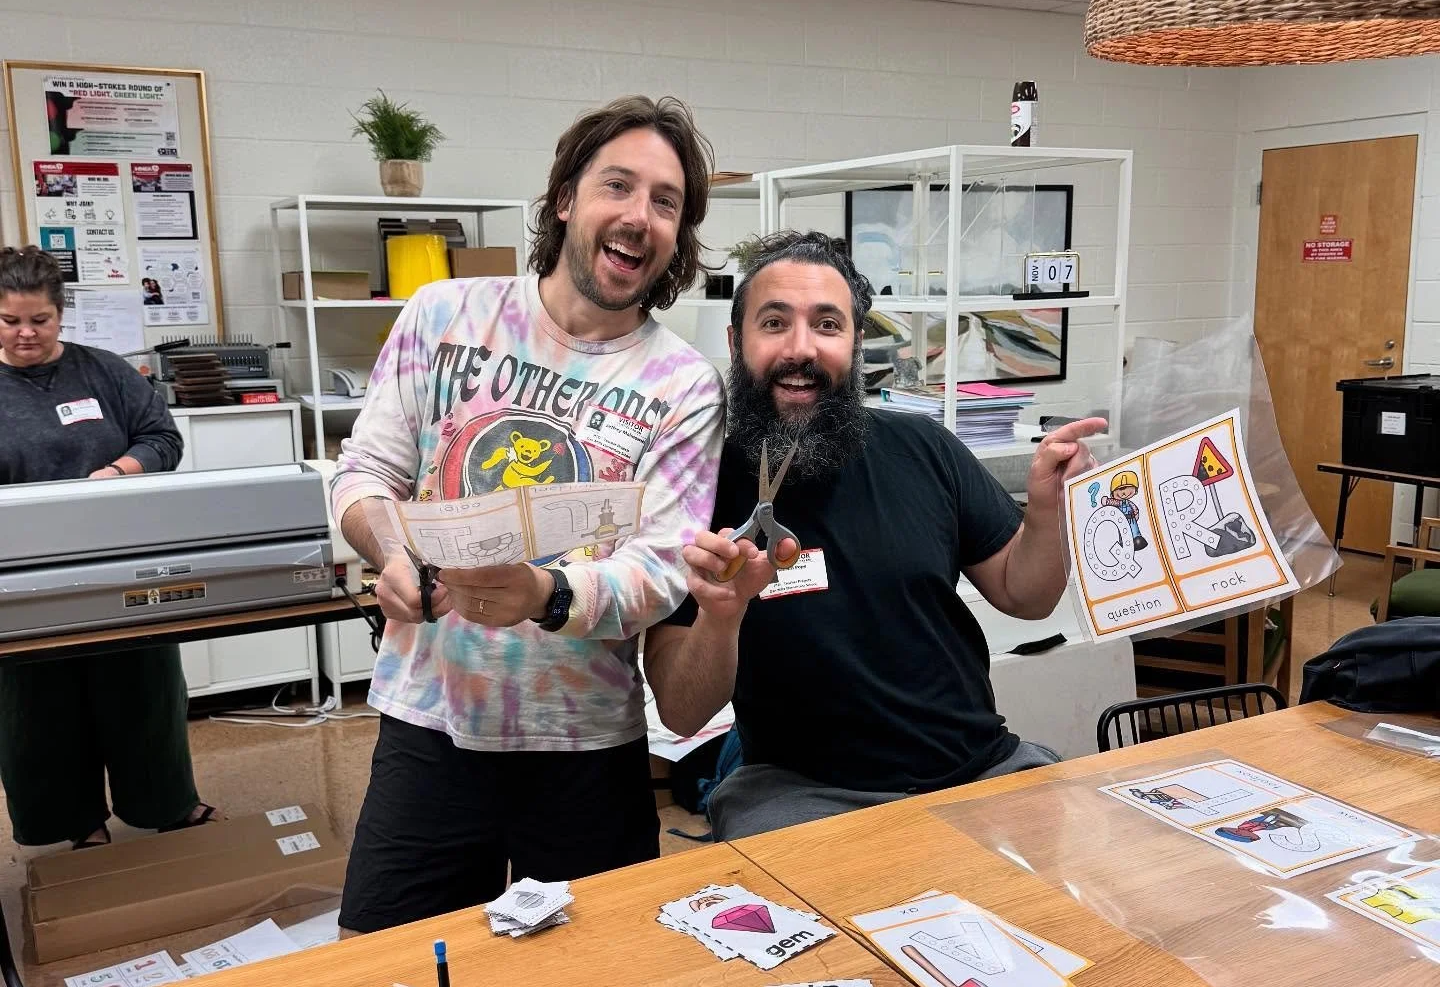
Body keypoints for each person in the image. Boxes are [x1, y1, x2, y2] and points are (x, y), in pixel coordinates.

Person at [332, 95, 725, 933]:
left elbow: (662, 567)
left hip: (586, 743)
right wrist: (388, 548)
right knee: (385, 976)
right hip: (430, 719)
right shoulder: (443, 316)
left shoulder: (684, 384)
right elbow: (365, 470)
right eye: (617, 186)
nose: (639, 216)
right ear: (564, 200)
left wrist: (544, 596)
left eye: (666, 201)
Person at [643, 230, 1107, 838]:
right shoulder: (694, 483)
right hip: (803, 790)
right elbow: (680, 713)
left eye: (828, 325)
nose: (800, 348)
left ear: (857, 343)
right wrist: (721, 616)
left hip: (979, 766)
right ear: (736, 341)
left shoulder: (924, 448)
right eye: (775, 322)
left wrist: (1046, 513)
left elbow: (1028, 596)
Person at [0, 246, 213, 849]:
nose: (25, 334)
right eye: (10, 320)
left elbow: (162, 439)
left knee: (142, 685)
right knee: (38, 701)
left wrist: (119, 471)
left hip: (124, 560)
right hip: (21, 572)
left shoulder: (105, 371)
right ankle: (71, 821)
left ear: (60, 314)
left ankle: (165, 802)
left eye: (38, 320)